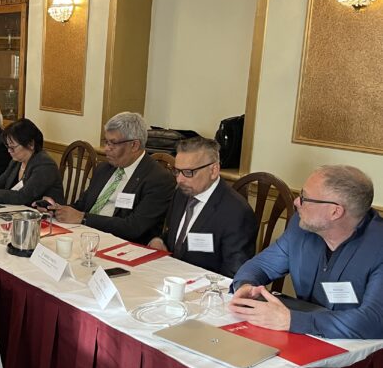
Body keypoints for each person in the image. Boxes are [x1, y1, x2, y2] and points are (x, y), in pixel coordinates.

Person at [229, 165, 383, 339]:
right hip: (304, 338)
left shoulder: (378, 246)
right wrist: (245, 285)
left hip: (359, 352)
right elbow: (261, 265)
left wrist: (291, 320)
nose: (296, 202)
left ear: (335, 211)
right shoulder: (301, 228)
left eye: (305, 198)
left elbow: (374, 322)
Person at [45, 112, 175, 245]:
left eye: (113, 143)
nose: (106, 149)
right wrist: (55, 210)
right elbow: (81, 206)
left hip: (122, 246)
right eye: (106, 142)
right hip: (84, 236)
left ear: (134, 145)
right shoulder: (105, 169)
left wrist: (84, 218)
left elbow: (134, 227)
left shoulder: (158, 179)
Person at [147, 137, 257, 276]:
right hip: (171, 276)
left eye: (188, 172)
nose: (180, 179)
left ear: (213, 170)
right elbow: (175, 236)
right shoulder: (182, 193)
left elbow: (234, 274)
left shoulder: (237, 213)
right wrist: (159, 240)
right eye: (177, 171)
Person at [0, 118, 63, 206]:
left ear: (30, 144)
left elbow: (23, 196)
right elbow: (0, 183)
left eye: (12, 147)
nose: (9, 151)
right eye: (7, 147)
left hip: (48, 217)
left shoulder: (45, 165)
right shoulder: (17, 161)